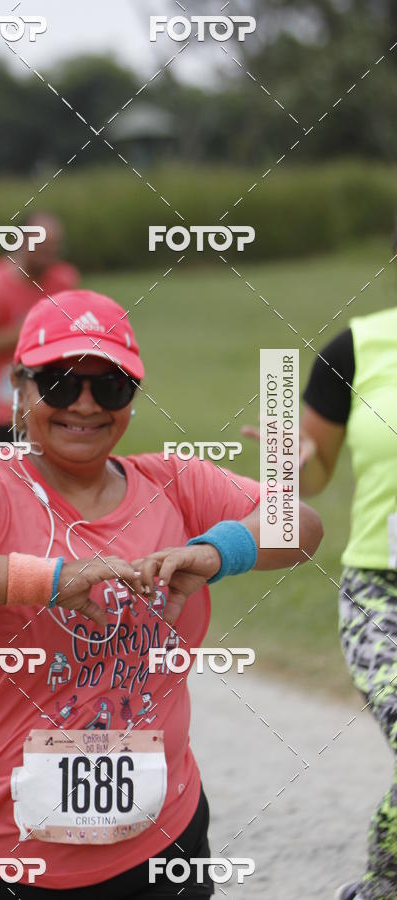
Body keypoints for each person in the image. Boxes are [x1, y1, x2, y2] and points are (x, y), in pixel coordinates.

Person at [0, 289, 323, 898]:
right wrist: (49, 580)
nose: (84, 405)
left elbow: (301, 525)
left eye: (110, 387)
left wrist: (218, 553)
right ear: (20, 388)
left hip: (156, 847)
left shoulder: (177, 482)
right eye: (59, 383)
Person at [286, 304, 397, 900]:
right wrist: (288, 465)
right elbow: (314, 472)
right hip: (382, 594)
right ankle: (385, 881)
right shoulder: (356, 349)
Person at [0, 212, 79, 446]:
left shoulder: (63, 279)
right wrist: (33, 328)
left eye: (54, 249)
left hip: (50, 404)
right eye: (42, 248)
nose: (49, 256)